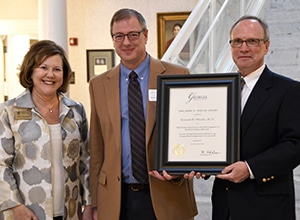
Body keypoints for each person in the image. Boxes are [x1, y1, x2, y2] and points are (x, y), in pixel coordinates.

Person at [89, 8, 197, 220]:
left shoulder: (177, 75)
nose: (126, 42)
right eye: (118, 36)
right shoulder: (99, 85)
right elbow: (97, 148)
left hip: (167, 193)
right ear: (112, 39)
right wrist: (95, 202)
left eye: (133, 35)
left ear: (145, 35)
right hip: (117, 199)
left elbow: (189, 131)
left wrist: (187, 165)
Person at [192, 15, 300, 220]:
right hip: (225, 205)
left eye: (252, 41)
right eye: (237, 42)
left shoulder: (289, 90)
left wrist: (250, 168)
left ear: (266, 46)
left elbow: (294, 145)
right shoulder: (217, 91)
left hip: (267, 206)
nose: (244, 48)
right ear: (230, 46)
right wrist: (198, 162)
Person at [0, 40, 92, 220]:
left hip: (71, 212)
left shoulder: (76, 110)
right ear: (31, 71)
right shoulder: (9, 111)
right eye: (43, 67)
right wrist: (15, 206)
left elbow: (86, 160)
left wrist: (89, 203)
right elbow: (1, 163)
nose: (50, 74)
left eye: (57, 69)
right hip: (26, 213)